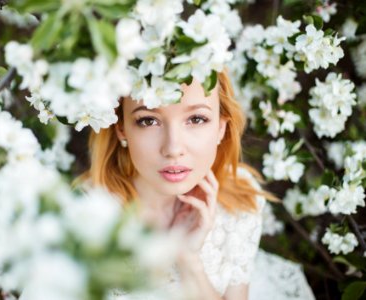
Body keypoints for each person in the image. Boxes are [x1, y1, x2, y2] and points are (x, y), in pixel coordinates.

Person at [80, 69, 315, 300]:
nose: (173, 149)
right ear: (121, 129)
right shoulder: (85, 216)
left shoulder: (238, 202)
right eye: (148, 120)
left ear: (221, 128)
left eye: (196, 119)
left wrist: (189, 261)